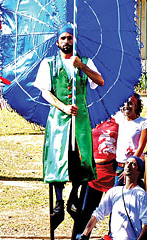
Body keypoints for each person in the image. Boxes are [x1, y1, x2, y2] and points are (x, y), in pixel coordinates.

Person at [34, 24, 104, 226]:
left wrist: (81, 67)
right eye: (63, 38)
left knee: (82, 159)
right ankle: (58, 202)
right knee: (58, 158)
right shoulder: (49, 64)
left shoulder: (85, 62)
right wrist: (63, 107)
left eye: (70, 38)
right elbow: (45, 92)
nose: (66, 41)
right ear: (57, 42)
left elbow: (100, 81)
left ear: (75, 41)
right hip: (58, 119)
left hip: (80, 118)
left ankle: (74, 197)